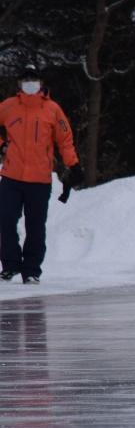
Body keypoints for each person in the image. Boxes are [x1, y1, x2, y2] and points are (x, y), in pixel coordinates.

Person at [0, 65, 83, 284]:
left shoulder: (53, 110)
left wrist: (73, 165)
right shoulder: (8, 107)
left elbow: (64, 140)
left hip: (39, 179)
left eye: (33, 80)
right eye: (25, 79)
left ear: (41, 83)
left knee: (35, 226)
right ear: (19, 83)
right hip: (11, 177)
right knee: (6, 221)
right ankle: (10, 265)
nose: (30, 84)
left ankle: (32, 270)